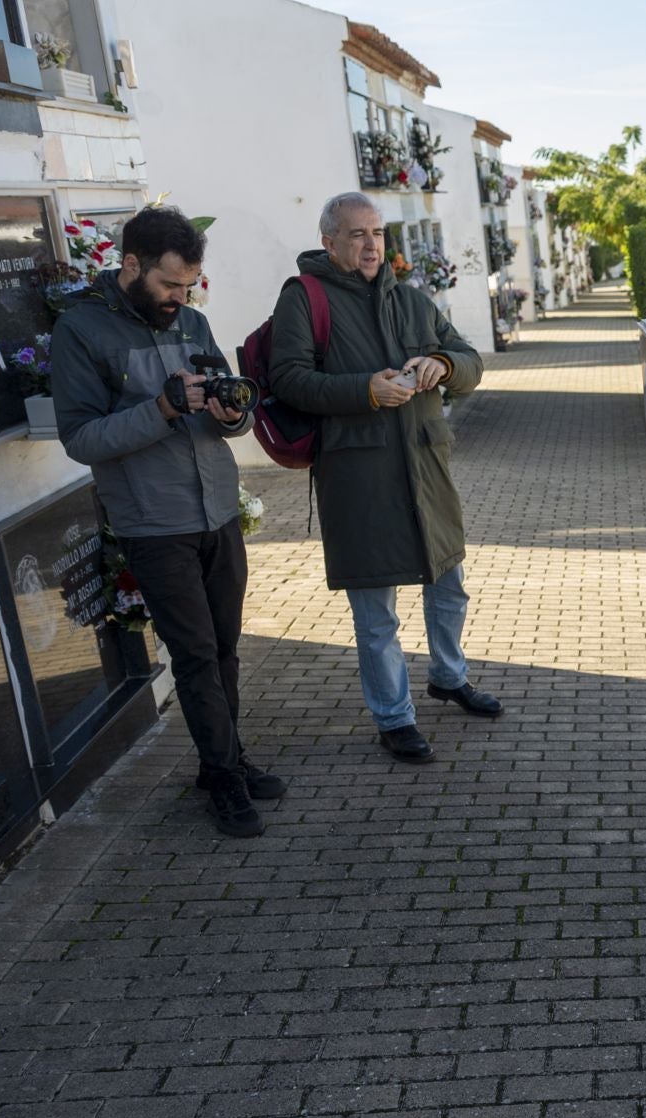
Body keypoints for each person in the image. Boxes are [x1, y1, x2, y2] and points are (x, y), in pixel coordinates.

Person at [54, 206, 283, 838]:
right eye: (170, 286)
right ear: (131, 265)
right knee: (196, 655)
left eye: (189, 286)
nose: (180, 299)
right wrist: (160, 407)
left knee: (228, 650)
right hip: (153, 523)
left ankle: (225, 762)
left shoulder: (195, 321)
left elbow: (216, 407)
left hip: (216, 509)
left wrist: (232, 411)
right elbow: (80, 438)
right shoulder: (81, 330)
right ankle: (224, 779)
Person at [267, 193, 489, 763]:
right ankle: (394, 717)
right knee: (376, 611)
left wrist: (444, 364)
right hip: (357, 474)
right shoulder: (304, 298)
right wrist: (364, 390)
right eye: (357, 234)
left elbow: (470, 360)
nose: (371, 244)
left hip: (426, 467)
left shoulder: (411, 300)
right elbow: (288, 379)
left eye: (377, 233)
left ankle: (449, 675)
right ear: (329, 242)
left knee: (448, 584)